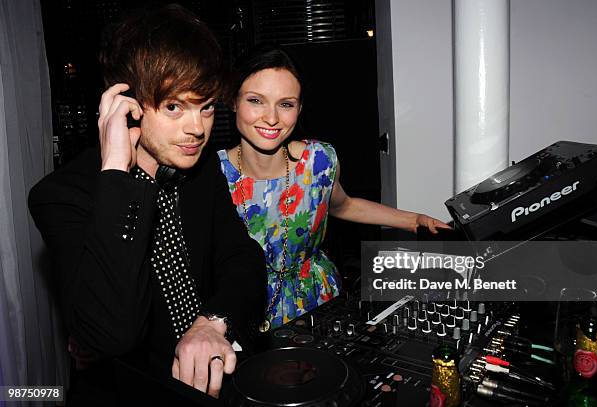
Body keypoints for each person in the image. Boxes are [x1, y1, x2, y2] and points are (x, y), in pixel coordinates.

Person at [28, 5, 266, 405]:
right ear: (127, 104)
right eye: (175, 107)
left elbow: (243, 259)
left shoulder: (201, 168)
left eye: (205, 106)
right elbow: (110, 334)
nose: (198, 128)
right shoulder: (62, 196)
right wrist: (117, 177)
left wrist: (212, 323)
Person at [217, 45, 451, 330]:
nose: (271, 117)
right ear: (232, 101)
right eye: (256, 100)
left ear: (299, 108)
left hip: (317, 303)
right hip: (241, 310)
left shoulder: (318, 162)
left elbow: (345, 205)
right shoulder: (211, 177)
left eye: (286, 104)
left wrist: (414, 221)